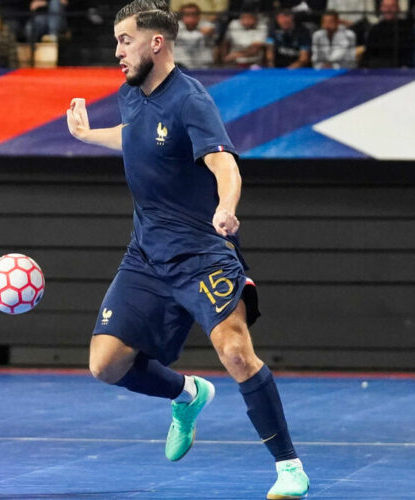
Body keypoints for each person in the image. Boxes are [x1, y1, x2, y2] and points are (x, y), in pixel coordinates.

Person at [65, 1, 309, 499]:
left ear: (156, 43)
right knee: (105, 364)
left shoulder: (191, 100)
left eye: (125, 41)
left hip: (202, 251)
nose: (118, 52)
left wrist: (226, 207)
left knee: (236, 352)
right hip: (146, 254)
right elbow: (137, 137)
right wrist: (90, 135)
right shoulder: (130, 95)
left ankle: (289, 469)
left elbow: (226, 166)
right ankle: (187, 394)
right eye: (116, 41)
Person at [362, 0, 415, 67]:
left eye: (392, 6)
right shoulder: (375, 29)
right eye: (385, 6)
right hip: (377, 70)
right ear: (381, 9)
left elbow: (409, 54)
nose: (388, 9)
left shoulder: (407, 28)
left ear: (398, 8)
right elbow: (368, 54)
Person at [174, 2, 215, 69]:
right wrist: (200, 32)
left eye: (193, 14)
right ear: (182, 17)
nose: (190, 17)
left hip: (203, 67)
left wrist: (209, 31)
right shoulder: (175, 26)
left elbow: (211, 29)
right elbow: (190, 39)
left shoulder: (207, 25)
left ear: (198, 16)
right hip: (181, 66)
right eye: (187, 15)